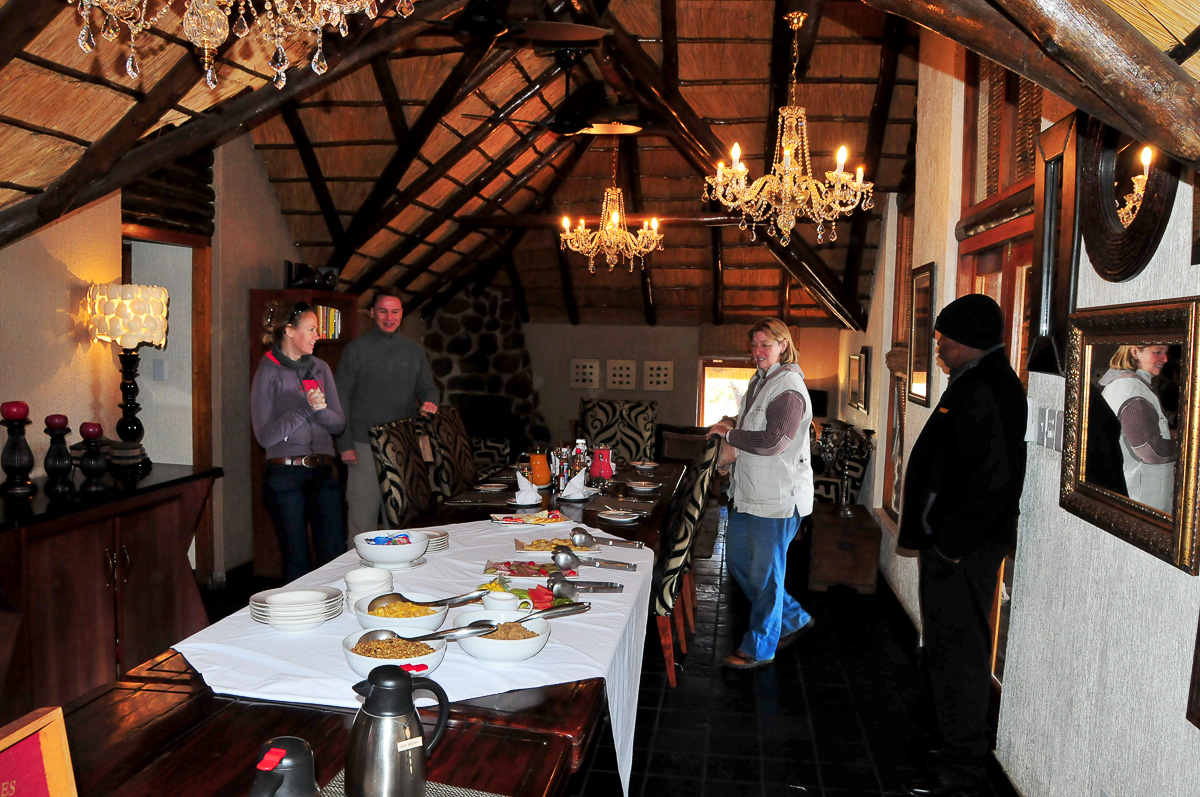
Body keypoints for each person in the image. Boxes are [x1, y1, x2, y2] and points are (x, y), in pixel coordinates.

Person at [899, 294, 1027, 797]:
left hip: (961, 551)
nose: (937, 346)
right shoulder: (975, 381)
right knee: (949, 651)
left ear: (966, 339)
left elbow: (992, 482)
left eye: (941, 338)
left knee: (961, 655)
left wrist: (950, 545)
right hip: (952, 545)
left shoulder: (987, 388)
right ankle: (953, 746)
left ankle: (963, 769)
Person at [708, 317, 817, 670]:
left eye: (765, 345)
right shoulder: (760, 381)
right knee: (742, 565)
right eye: (754, 345)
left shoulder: (788, 387)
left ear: (783, 345)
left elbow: (774, 441)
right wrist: (734, 427)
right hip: (748, 494)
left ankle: (760, 647)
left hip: (778, 499)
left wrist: (729, 436)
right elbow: (753, 428)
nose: (757, 352)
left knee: (766, 576)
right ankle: (794, 617)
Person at [251, 301, 347, 583]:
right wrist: (304, 408)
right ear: (290, 331)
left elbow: (339, 424)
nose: (318, 335)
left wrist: (320, 411)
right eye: (311, 329)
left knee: (334, 554)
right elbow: (264, 436)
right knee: (297, 559)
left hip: (325, 471)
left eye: (317, 329)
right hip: (285, 476)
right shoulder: (268, 371)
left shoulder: (321, 368)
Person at [337, 287, 440, 541]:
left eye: (395, 311)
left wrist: (430, 400)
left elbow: (429, 387)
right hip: (363, 447)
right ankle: (359, 579)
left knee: (403, 524)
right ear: (372, 313)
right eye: (383, 311)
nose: (389, 317)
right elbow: (341, 399)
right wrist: (345, 444)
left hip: (403, 447)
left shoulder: (414, 351)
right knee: (362, 526)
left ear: (402, 314)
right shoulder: (355, 350)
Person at [1099, 344, 1176, 513]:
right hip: (1146, 499)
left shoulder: (1118, 384)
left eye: (1165, 352)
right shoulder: (1133, 392)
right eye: (1157, 352)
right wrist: (1190, 447)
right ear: (1134, 352)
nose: (1164, 359)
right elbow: (1151, 451)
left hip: (1131, 489)